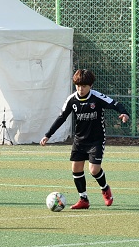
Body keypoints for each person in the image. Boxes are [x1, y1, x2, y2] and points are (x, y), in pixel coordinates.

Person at [40, 69, 129, 209]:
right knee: (76, 169)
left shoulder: (96, 97)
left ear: (90, 86)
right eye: (78, 86)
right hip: (80, 140)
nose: (80, 89)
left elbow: (115, 104)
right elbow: (61, 117)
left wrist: (124, 113)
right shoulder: (72, 99)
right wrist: (48, 135)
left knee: (94, 170)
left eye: (84, 86)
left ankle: (105, 189)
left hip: (96, 139)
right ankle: (83, 199)